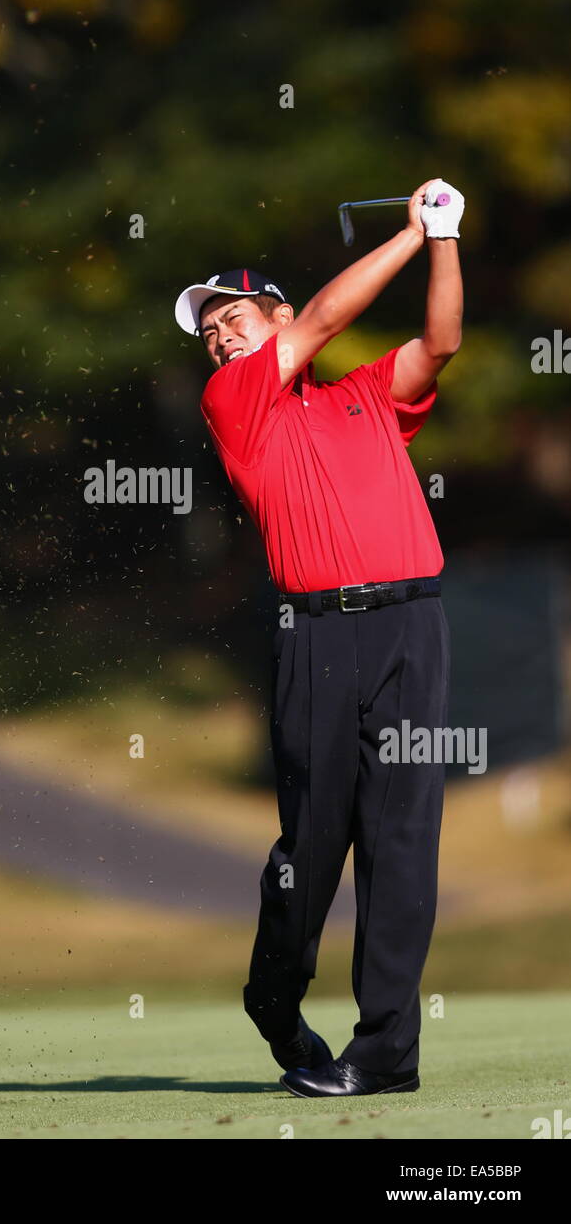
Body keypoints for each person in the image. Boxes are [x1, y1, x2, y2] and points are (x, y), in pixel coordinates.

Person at [173, 179, 464, 1097]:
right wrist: (412, 236)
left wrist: (445, 239)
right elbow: (332, 317)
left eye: (233, 317)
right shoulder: (236, 403)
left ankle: (384, 1052)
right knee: (313, 844)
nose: (220, 335)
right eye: (209, 330)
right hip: (319, 642)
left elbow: (442, 342)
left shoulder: (364, 399)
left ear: (274, 312)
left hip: (413, 626)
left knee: (403, 841)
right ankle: (274, 994)